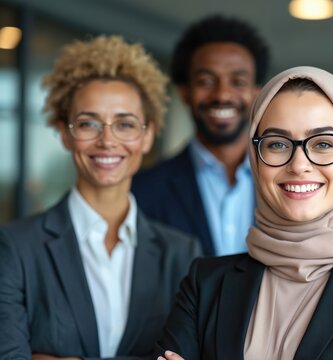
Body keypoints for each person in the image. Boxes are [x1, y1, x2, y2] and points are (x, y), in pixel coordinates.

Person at [153, 66, 333, 360]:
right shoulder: (205, 282)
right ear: (255, 156)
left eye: (323, 144)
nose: (299, 164)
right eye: (276, 144)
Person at [0, 35, 202, 359]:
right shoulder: (15, 248)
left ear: (147, 135)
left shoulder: (181, 254)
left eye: (125, 124)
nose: (107, 140)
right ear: (65, 133)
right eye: (88, 123)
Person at [132, 15, 270, 256]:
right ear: (185, 92)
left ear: (257, 92)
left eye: (238, 81)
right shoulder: (143, 192)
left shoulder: (287, 182)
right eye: (206, 81)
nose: (222, 95)